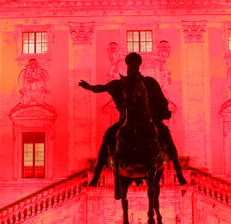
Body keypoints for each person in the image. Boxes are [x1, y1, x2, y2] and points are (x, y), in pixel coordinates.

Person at [79, 52, 185, 186]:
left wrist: (163, 113)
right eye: (130, 65)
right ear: (127, 65)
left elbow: (162, 101)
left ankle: (179, 173)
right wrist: (89, 87)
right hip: (125, 121)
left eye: (134, 65)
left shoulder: (149, 82)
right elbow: (103, 87)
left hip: (150, 120)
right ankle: (96, 177)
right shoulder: (121, 83)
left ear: (138, 66)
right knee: (108, 136)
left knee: (166, 135)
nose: (131, 68)